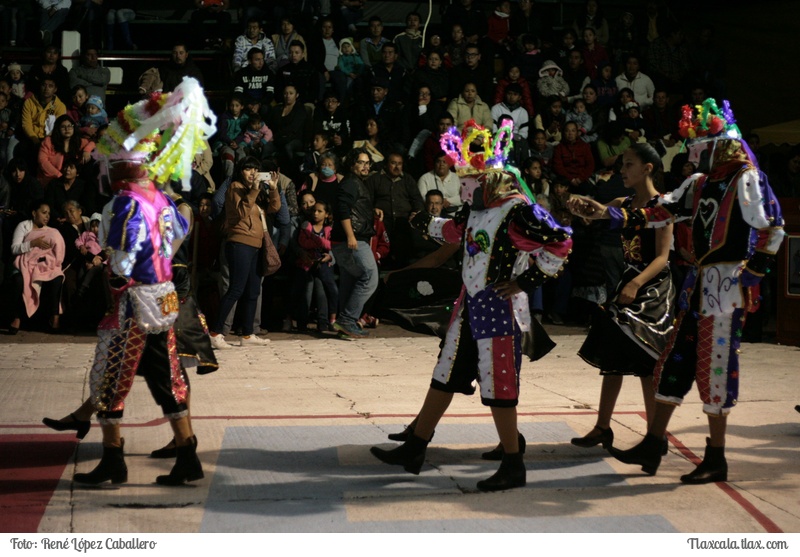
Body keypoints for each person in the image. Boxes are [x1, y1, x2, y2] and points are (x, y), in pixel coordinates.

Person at [568, 102, 785, 483]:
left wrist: (751, 275)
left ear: (718, 143)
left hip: (725, 289)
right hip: (698, 287)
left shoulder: (747, 179)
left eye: (700, 143)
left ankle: (715, 457)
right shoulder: (700, 184)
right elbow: (659, 211)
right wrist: (605, 213)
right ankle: (654, 443)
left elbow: (772, 228)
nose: (693, 151)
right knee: (673, 363)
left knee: (714, 368)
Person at [371, 165, 572, 491]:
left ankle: (512, 463)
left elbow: (561, 241)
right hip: (468, 309)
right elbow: (451, 230)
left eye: (469, 181)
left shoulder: (519, 212)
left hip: (498, 312)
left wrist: (524, 282)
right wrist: (419, 219)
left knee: (499, 387)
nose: (464, 189)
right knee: (445, 374)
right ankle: (415, 448)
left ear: (490, 180)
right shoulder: (479, 210)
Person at [62, 78, 214, 487]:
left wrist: (116, 270)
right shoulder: (161, 198)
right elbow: (181, 229)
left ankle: (113, 460)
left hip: (132, 303)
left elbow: (124, 257)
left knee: (110, 376)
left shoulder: (127, 203)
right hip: (163, 298)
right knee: (167, 380)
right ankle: (187, 456)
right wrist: (160, 260)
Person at [571, 143, 675, 451]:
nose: (622, 170)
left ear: (648, 169)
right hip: (628, 283)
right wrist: (581, 206)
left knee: (645, 358)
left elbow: (662, 258)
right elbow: (599, 212)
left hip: (652, 288)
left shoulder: (662, 206)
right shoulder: (624, 201)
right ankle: (603, 427)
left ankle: (656, 436)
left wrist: (635, 284)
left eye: (628, 164)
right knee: (613, 358)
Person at [209, 156, 280, 349]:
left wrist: (272, 188)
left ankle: (247, 334)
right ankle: (215, 333)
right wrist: (255, 189)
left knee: (252, 291)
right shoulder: (235, 188)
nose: (252, 173)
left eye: (255, 170)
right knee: (236, 288)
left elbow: (275, 207)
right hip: (239, 243)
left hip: (257, 244)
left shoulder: (256, 192)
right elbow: (241, 212)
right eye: (248, 169)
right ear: (241, 171)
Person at [330, 147, 378, 339]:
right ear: (352, 164)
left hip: (346, 239)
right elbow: (343, 208)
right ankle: (348, 320)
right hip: (353, 239)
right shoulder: (351, 183)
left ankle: (345, 326)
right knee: (370, 277)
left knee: (350, 281)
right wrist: (350, 235)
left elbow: (354, 208)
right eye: (361, 162)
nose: (365, 166)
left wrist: (372, 212)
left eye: (368, 163)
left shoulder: (355, 183)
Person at [9, 200, 64, 333]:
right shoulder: (24, 226)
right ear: (34, 213)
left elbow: (58, 249)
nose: (47, 216)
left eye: (49, 214)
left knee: (57, 277)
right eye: (44, 213)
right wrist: (33, 243)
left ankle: (55, 318)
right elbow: (14, 249)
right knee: (18, 280)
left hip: (45, 264)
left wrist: (52, 262)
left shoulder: (52, 231)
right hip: (25, 263)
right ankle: (17, 318)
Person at [290, 199, 338, 332]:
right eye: (314, 211)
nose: (316, 213)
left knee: (322, 291)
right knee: (306, 292)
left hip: (322, 265)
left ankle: (324, 322)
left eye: (320, 211)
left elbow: (332, 245)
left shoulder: (329, 229)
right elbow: (304, 243)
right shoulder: (306, 225)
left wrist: (317, 241)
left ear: (327, 214)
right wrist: (322, 243)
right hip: (306, 265)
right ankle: (302, 323)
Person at [417, 151, 462, 215]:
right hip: (434, 215)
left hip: (456, 213)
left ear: (449, 164)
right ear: (434, 164)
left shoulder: (456, 177)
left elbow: (462, 198)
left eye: (444, 162)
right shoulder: (424, 178)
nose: (441, 164)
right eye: (438, 162)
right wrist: (441, 203)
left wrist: (448, 201)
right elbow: (423, 199)